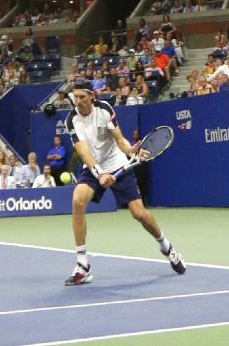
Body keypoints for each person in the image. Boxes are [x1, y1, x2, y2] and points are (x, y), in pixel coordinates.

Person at [63, 82, 184, 285]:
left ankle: (167, 247)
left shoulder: (104, 110)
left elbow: (119, 140)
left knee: (140, 214)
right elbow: (83, 152)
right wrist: (99, 173)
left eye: (82, 97)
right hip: (93, 168)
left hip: (117, 163)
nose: (78, 101)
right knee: (77, 200)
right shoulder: (71, 119)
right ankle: (82, 264)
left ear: (92, 96)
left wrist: (132, 152)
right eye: (76, 97)